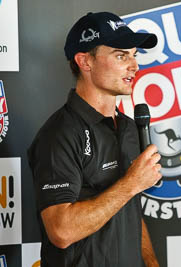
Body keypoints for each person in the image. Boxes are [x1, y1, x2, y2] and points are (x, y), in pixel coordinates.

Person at [28, 12, 162, 267]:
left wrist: (152, 262)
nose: (134, 66)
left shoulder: (129, 128)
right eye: (121, 56)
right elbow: (61, 231)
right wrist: (132, 183)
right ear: (84, 61)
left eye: (135, 55)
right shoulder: (59, 134)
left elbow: (128, 210)